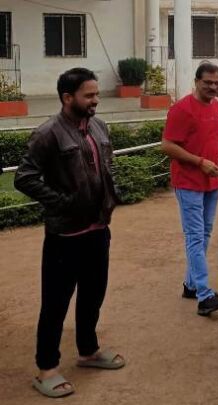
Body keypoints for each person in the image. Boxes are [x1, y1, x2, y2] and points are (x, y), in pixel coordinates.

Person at [15, 68, 125, 398]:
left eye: (96, 94)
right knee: (55, 304)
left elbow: (106, 167)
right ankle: (46, 367)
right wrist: (61, 202)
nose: (95, 101)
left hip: (98, 229)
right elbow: (24, 177)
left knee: (93, 295)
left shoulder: (98, 126)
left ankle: (88, 351)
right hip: (65, 236)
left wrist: (111, 194)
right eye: (89, 95)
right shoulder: (48, 133)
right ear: (67, 97)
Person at [162, 63, 218, 316]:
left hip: (212, 181)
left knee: (204, 234)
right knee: (195, 236)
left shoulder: (216, 106)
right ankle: (205, 295)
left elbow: (215, 137)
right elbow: (167, 145)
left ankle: (190, 285)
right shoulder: (182, 109)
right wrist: (199, 162)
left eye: (217, 83)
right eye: (208, 82)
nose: (213, 87)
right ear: (196, 81)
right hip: (188, 182)